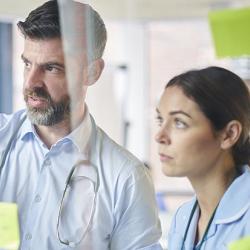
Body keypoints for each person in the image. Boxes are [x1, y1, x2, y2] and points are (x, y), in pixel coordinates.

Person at [0, 1, 162, 249]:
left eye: (51, 68)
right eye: (27, 64)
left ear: (92, 72)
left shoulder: (124, 177)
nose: (31, 83)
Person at [155, 66, 250, 250]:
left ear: (228, 135)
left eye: (179, 122)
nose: (160, 136)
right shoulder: (183, 218)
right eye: (160, 120)